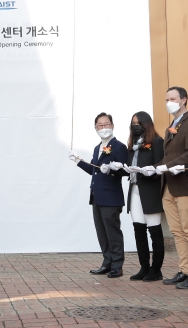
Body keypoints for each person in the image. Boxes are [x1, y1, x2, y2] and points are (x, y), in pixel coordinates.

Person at [69, 112, 128, 278]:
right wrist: (78, 161)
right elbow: (95, 170)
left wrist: (113, 169)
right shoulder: (97, 148)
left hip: (111, 197)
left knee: (113, 232)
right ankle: (107, 262)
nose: (104, 128)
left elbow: (125, 170)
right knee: (101, 232)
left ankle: (117, 265)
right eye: (100, 125)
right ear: (95, 128)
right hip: (96, 196)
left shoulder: (119, 146)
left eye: (107, 124)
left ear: (113, 126)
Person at [156, 86, 188, 289]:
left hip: (185, 185)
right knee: (177, 231)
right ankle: (184, 270)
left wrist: (167, 166)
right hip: (168, 185)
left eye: (173, 98)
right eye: (167, 99)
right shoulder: (171, 126)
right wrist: (154, 167)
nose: (169, 102)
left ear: (183, 100)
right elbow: (169, 155)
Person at [110, 111, 165, 282]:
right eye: (133, 122)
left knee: (154, 230)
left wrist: (150, 171)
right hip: (134, 190)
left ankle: (156, 269)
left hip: (150, 192)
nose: (135, 125)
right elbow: (127, 166)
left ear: (146, 124)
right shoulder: (132, 145)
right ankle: (144, 267)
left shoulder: (156, 142)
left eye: (138, 123)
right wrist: (117, 167)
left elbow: (160, 166)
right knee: (138, 230)